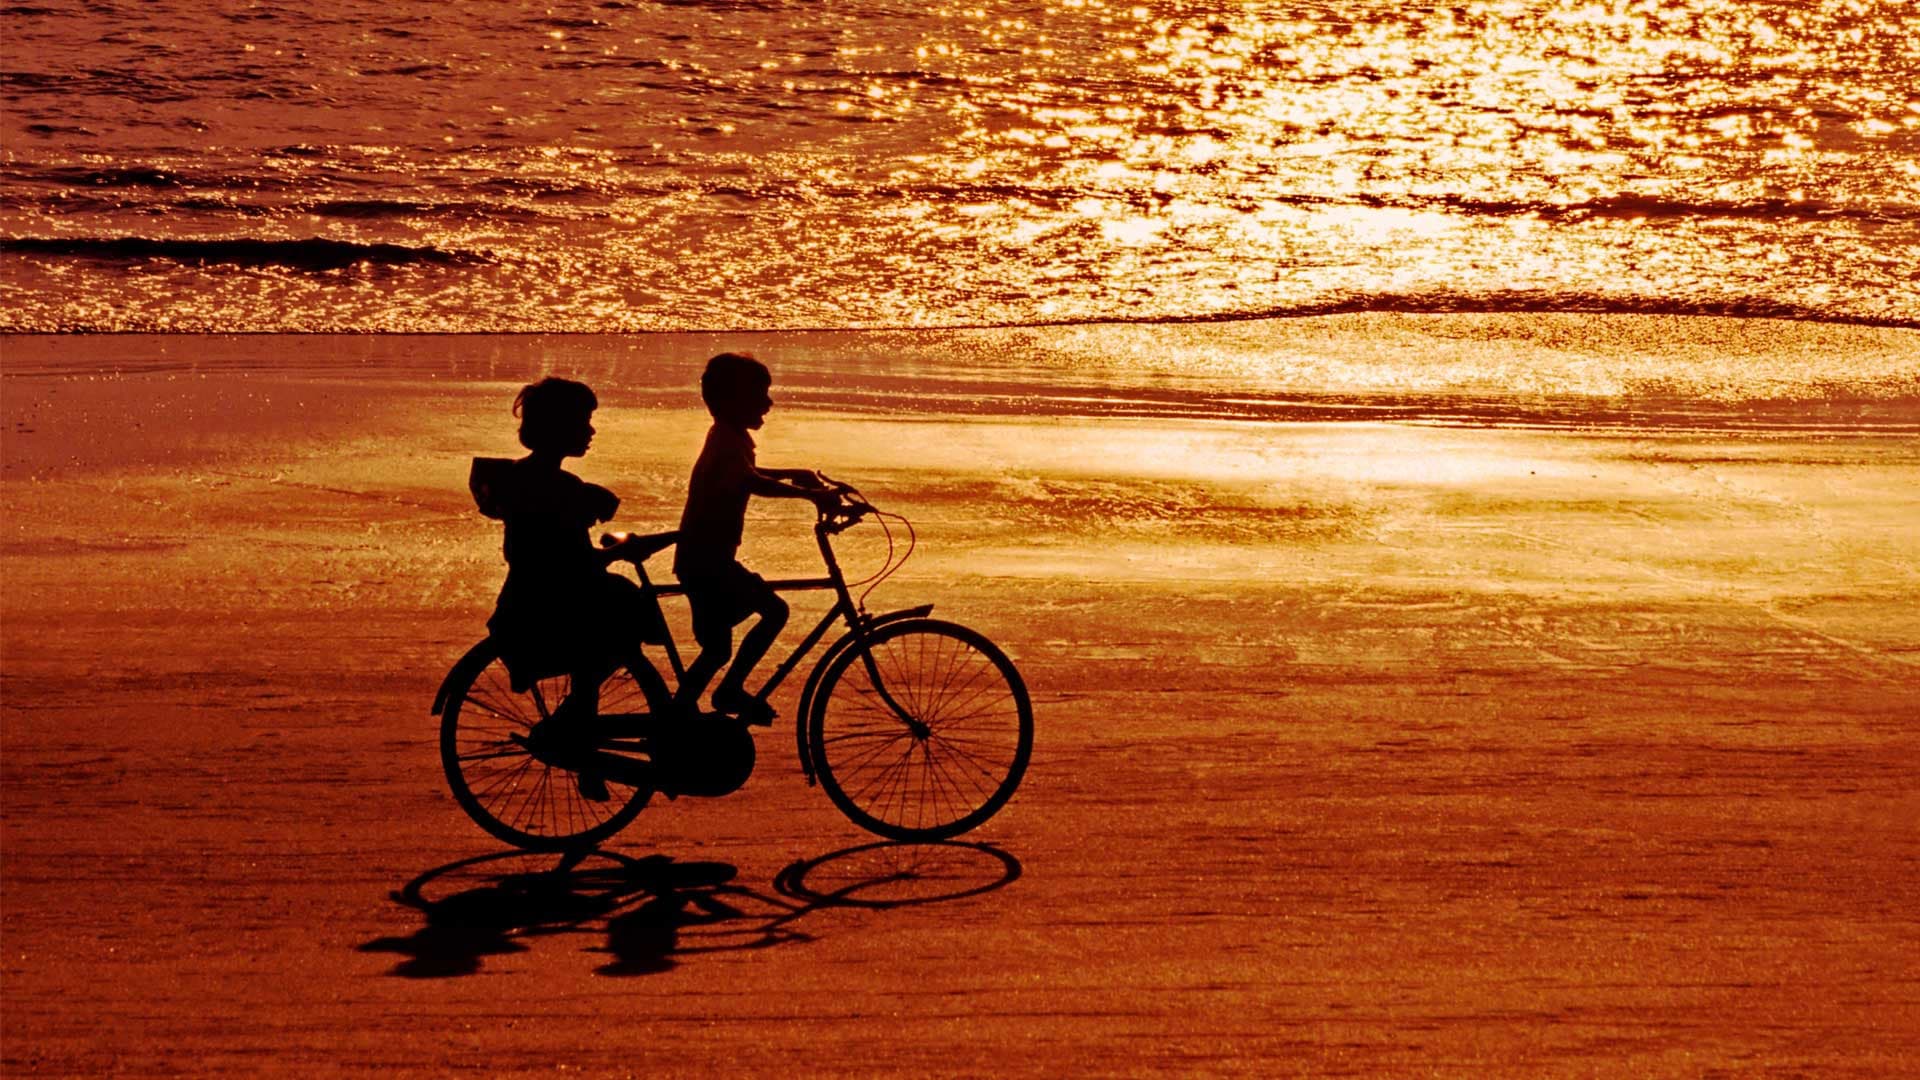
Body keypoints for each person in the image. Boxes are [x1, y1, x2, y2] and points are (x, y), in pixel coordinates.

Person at [471, 377, 667, 798]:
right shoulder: (560, 491)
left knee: (606, 632)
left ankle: (583, 737)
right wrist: (618, 553)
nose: (591, 431)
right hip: (548, 613)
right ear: (559, 427)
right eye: (584, 421)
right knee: (618, 624)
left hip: (527, 607)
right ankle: (582, 739)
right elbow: (570, 565)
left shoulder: (522, 481)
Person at [674, 352, 839, 724]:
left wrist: (796, 474)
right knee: (773, 611)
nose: (768, 402)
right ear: (732, 401)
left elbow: (751, 472)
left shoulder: (730, 437)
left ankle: (680, 710)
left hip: (705, 559)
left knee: (717, 648)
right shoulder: (726, 441)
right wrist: (810, 495)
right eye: (758, 395)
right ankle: (726, 692)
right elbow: (750, 481)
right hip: (708, 561)